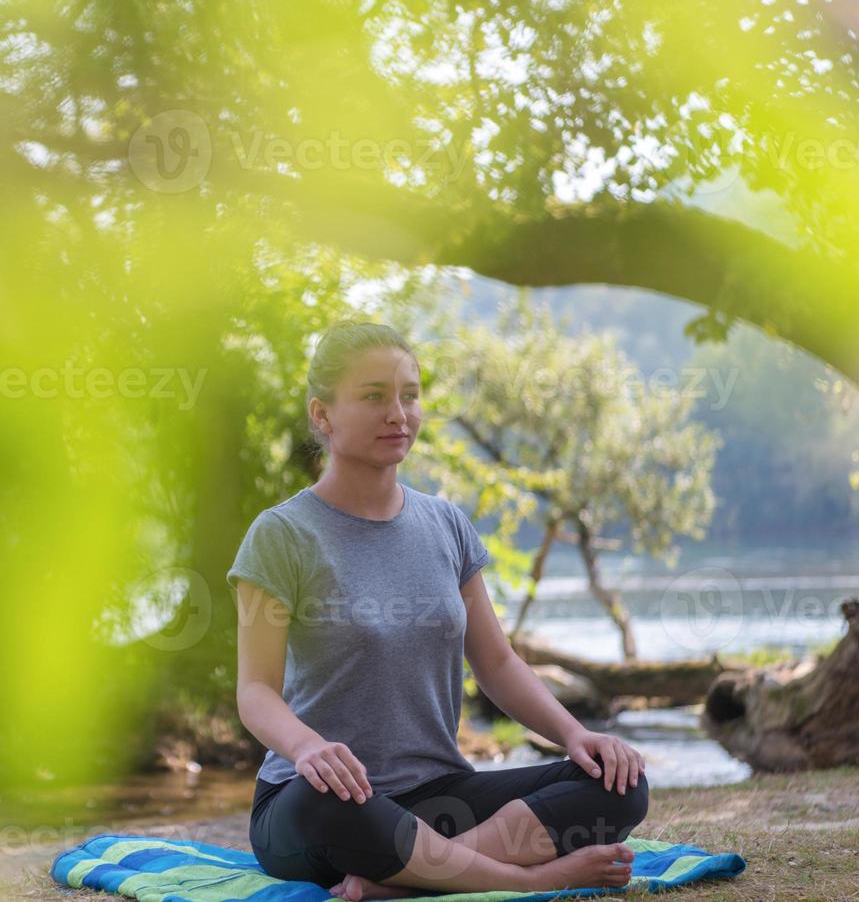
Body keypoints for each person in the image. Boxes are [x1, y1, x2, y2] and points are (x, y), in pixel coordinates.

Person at [227, 321, 649, 900]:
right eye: (374, 396)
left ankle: (400, 882)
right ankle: (530, 879)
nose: (398, 413)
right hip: (323, 805)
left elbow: (497, 664)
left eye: (410, 394)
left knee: (618, 784)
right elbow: (255, 692)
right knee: (328, 802)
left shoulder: (446, 525)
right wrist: (307, 749)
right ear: (322, 415)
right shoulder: (281, 535)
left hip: (439, 797)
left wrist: (576, 734)